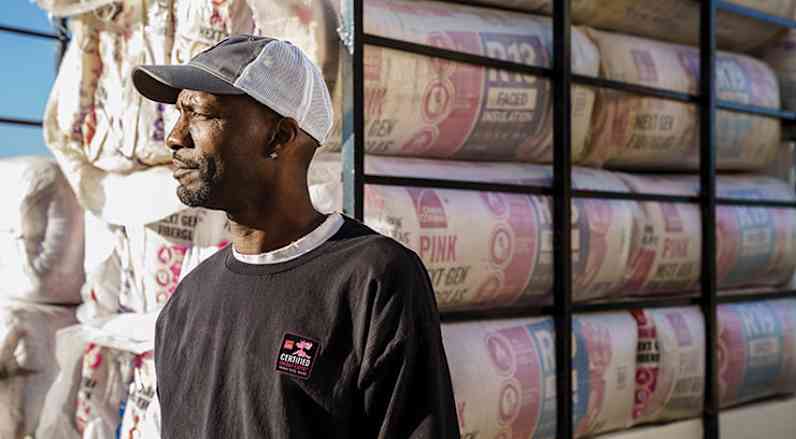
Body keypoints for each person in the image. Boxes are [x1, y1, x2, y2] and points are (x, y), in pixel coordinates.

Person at [131, 35, 461, 438]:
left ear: (279, 137)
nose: (175, 137)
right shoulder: (187, 303)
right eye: (178, 114)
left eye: (198, 113)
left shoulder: (371, 278)